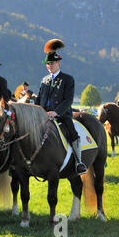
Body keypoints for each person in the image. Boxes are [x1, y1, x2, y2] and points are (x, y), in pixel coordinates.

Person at [35, 39, 87, 175]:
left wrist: (56, 112)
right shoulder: (44, 80)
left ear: (58, 63)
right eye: (47, 64)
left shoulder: (67, 79)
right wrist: (35, 111)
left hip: (62, 115)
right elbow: (39, 99)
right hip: (43, 116)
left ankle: (78, 162)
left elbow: (68, 100)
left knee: (72, 133)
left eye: (52, 63)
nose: (49, 66)